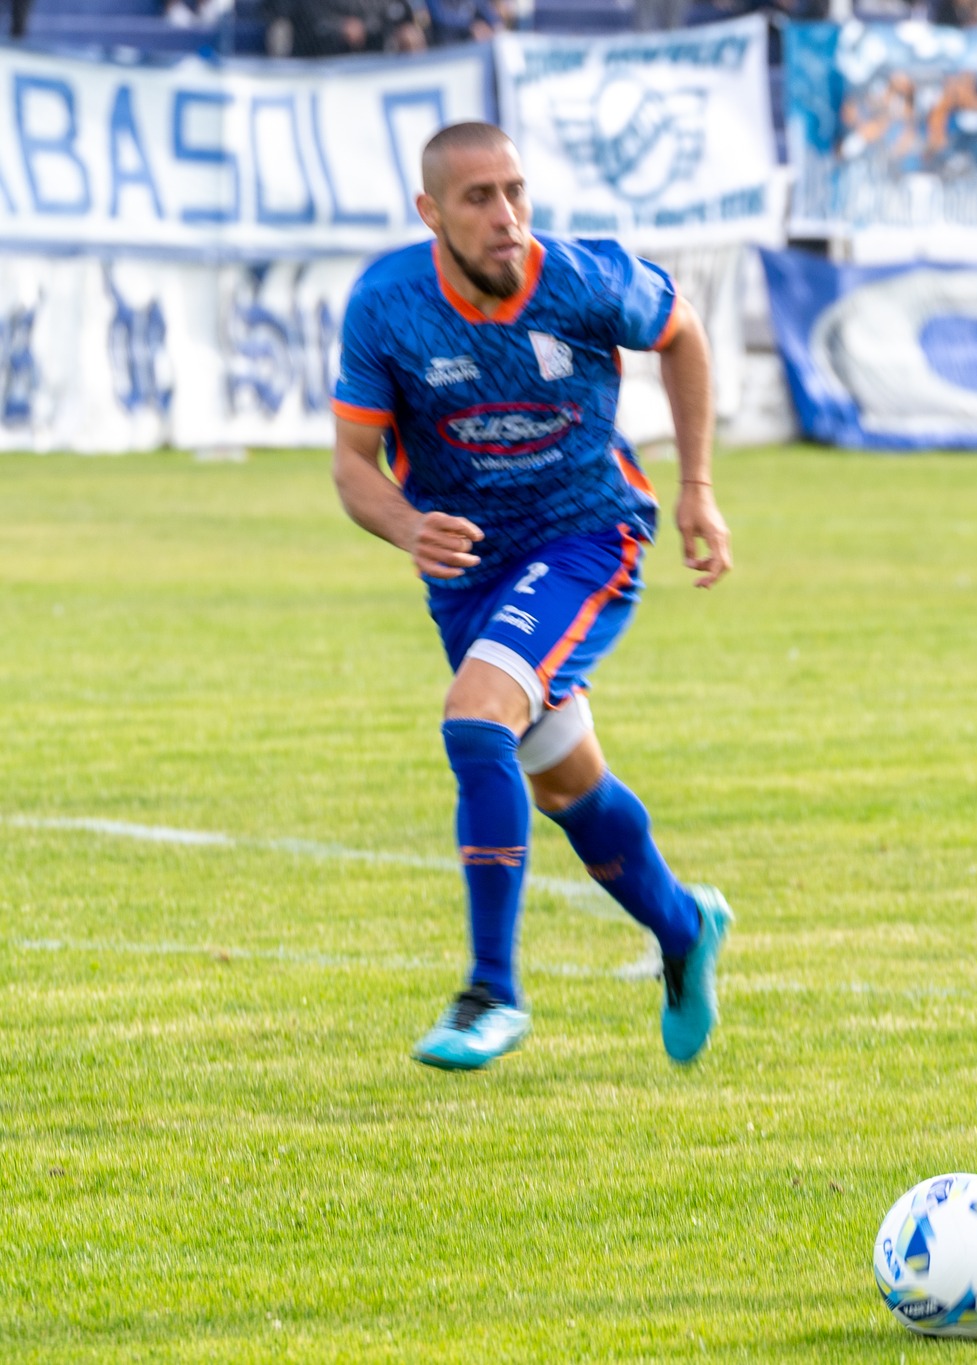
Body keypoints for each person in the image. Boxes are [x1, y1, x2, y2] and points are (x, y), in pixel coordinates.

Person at [330, 123, 736, 1071]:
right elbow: (353, 466)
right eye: (478, 198)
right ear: (431, 213)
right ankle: (683, 926)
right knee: (561, 778)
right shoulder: (387, 306)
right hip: (470, 570)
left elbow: (684, 335)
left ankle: (491, 992)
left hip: (588, 537)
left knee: (477, 721)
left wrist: (697, 487)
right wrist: (404, 525)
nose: (507, 217)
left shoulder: (586, 281)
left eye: (516, 191)